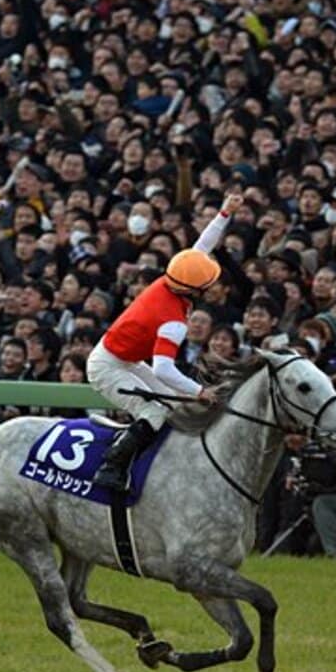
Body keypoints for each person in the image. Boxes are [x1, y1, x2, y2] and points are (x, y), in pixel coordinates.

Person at [86, 194, 243, 491]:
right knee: (156, 411)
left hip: (124, 358)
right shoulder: (173, 322)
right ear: (198, 290)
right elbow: (163, 370)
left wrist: (225, 212)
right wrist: (201, 392)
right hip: (108, 366)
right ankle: (111, 467)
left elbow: (202, 247)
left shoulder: (170, 278)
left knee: (171, 406)